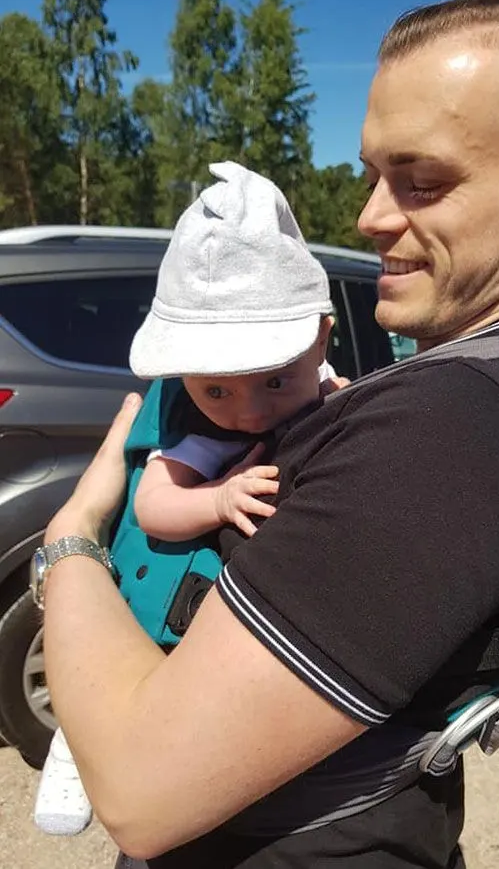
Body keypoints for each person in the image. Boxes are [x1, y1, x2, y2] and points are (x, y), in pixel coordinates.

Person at [37, 0, 499, 866]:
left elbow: (136, 787)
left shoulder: (454, 429)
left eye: (422, 180)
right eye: (373, 175)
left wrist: (70, 538)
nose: (371, 217)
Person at [33, 160, 340, 837]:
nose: (247, 410)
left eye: (276, 381)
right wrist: (220, 499)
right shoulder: (192, 423)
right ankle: (71, 744)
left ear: (320, 338)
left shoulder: (326, 390)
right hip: (146, 600)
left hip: (212, 628)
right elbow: (154, 506)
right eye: (216, 389)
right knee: (106, 689)